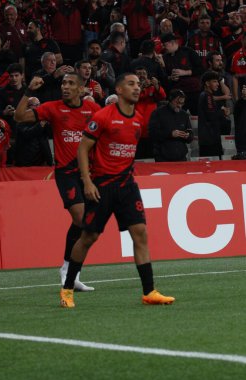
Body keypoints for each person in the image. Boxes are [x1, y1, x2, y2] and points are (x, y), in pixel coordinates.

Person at [60, 73, 175, 308]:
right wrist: (87, 182)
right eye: (131, 84)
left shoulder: (138, 119)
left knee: (140, 233)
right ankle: (67, 289)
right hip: (102, 186)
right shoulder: (102, 117)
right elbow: (83, 149)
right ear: (119, 90)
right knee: (89, 236)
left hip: (127, 185)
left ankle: (149, 292)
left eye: (138, 85)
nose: (137, 88)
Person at [14, 72, 101, 291]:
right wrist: (29, 91)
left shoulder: (93, 110)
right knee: (81, 217)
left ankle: (72, 272)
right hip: (67, 173)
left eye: (71, 83)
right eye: (63, 83)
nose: (65, 86)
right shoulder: (53, 108)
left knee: (86, 225)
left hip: (89, 174)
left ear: (82, 89)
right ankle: (66, 270)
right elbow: (19, 116)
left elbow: (106, 134)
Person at [148, 89, 193, 162]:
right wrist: (170, 134)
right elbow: (152, 134)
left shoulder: (184, 115)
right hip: (163, 159)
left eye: (182, 103)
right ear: (170, 100)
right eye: (177, 102)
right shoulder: (158, 113)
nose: (179, 105)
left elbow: (190, 135)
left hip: (181, 158)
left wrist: (188, 136)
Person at [198, 71, 230, 158]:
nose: (218, 84)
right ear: (207, 83)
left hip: (209, 138)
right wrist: (222, 111)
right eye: (214, 81)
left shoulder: (206, 95)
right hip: (210, 139)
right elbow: (211, 115)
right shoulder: (207, 96)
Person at [15, 97, 53, 166]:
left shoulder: (42, 119)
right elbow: (28, 134)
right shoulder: (21, 121)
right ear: (27, 107)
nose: (39, 107)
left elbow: (51, 134)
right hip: (26, 162)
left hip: (42, 161)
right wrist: (41, 124)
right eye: (35, 105)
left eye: (39, 104)